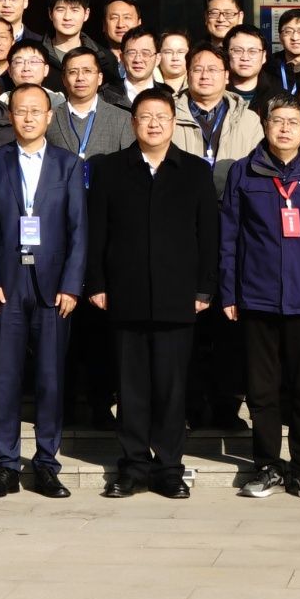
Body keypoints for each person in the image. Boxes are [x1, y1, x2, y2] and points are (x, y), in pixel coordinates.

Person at [84, 88, 219, 500]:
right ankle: (132, 467)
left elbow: (208, 235)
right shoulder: (110, 169)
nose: (154, 124)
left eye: (162, 116)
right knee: (131, 388)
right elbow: (96, 231)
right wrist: (97, 283)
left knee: (172, 389)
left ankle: (169, 468)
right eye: (145, 117)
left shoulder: (194, 170)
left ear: (174, 122)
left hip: (179, 297)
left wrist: (205, 287)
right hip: (125, 295)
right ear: (133, 123)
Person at [218, 98, 300, 499]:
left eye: (293, 122)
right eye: (278, 121)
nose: (285, 128)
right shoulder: (244, 171)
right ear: (266, 125)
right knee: (262, 391)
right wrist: (229, 290)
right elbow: (229, 238)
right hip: (257, 298)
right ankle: (267, 466)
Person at [0, 88, 86, 498]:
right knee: (5, 375)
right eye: (21, 111)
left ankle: (46, 463)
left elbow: (78, 229)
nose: (29, 118)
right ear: (10, 116)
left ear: (49, 117)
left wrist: (72, 284)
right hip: (5, 282)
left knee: (50, 378)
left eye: (36, 111)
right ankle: (5, 464)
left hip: (54, 287)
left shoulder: (68, 164)